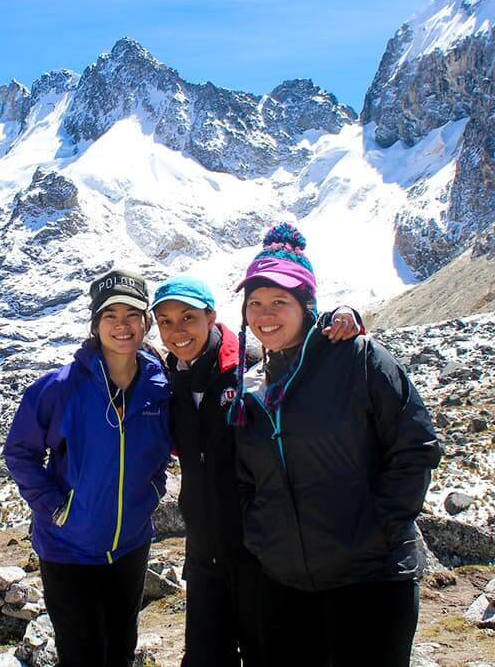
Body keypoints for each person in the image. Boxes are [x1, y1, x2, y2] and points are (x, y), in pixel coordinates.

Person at [230, 223, 442, 667]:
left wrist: (377, 528)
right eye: (255, 303)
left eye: (279, 302)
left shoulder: (359, 359)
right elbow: (247, 477)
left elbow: (415, 445)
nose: (265, 314)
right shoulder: (251, 387)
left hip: (370, 578)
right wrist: (263, 536)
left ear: (307, 306)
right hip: (285, 581)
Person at [151, 275, 362, 667]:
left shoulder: (250, 366)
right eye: (165, 321)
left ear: (211, 317)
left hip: (260, 551)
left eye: (188, 318)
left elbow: (303, 355)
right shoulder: (168, 379)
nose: (177, 331)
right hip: (203, 552)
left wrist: (341, 316)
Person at [3, 268, 172, 667]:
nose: (122, 325)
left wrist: (151, 493)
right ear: (95, 324)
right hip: (67, 548)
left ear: (145, 321)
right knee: (82, 654)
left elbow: (165, 449)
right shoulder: (61, 387)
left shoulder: (161, 386)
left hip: (130, 544)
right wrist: (55, 507)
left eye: (131, 314)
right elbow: (20, 452)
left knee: (121, 648)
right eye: (110, 315)